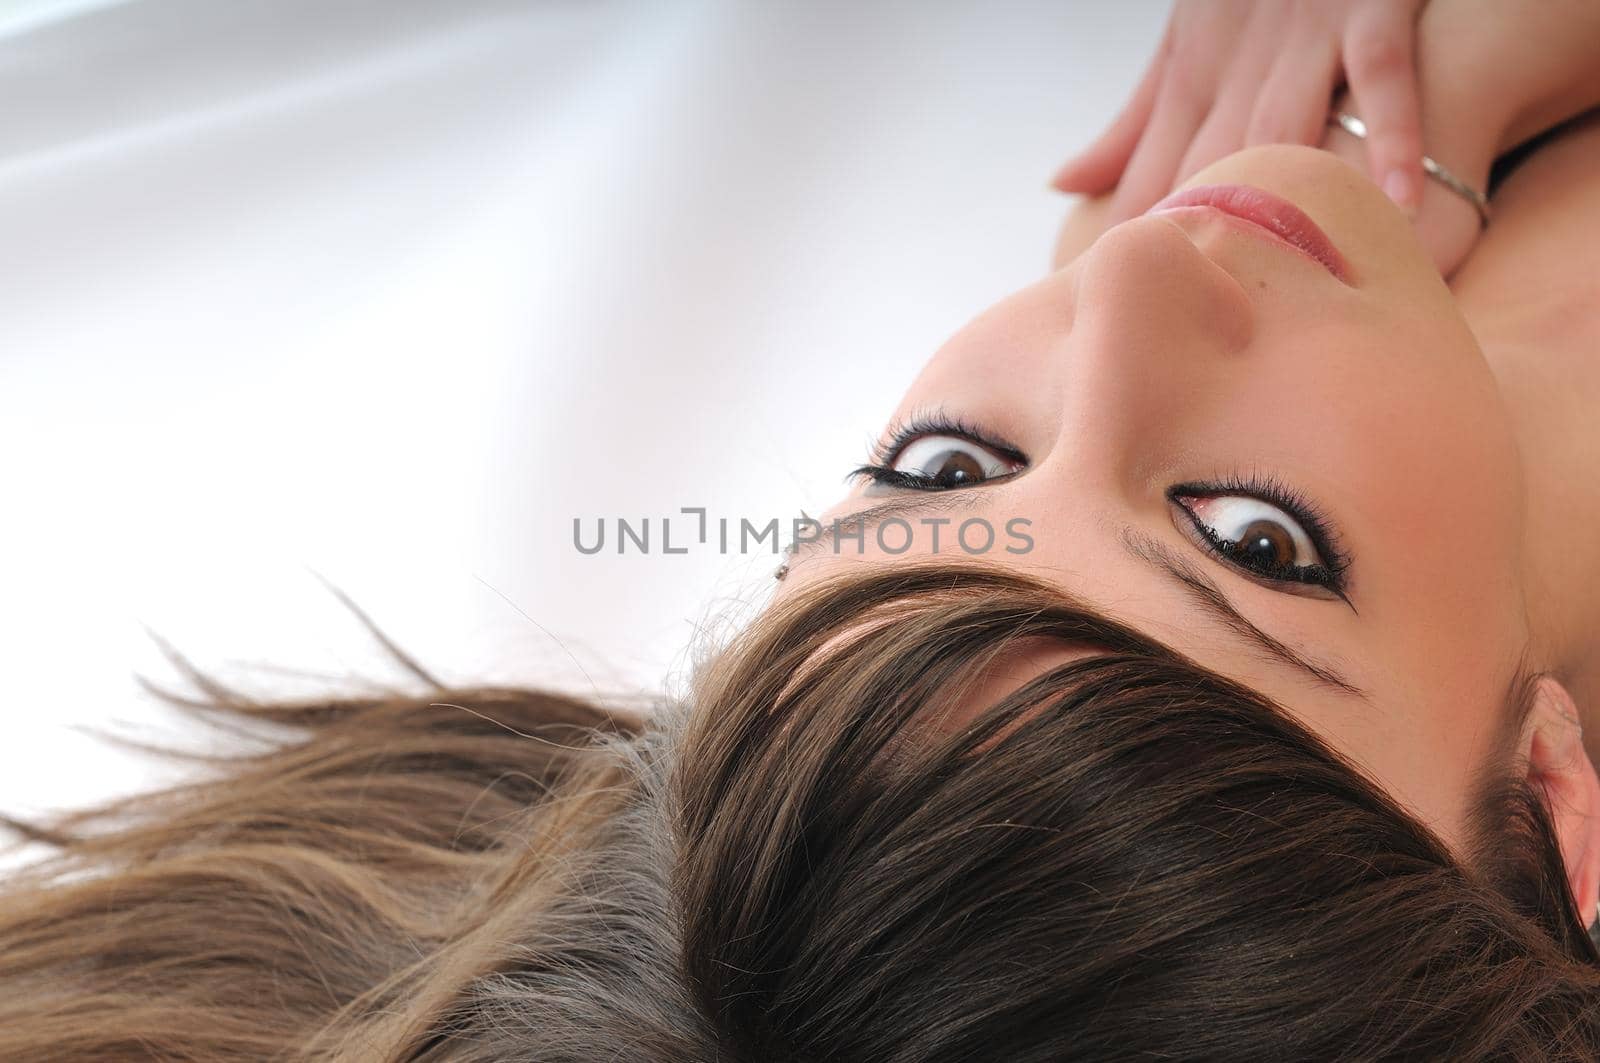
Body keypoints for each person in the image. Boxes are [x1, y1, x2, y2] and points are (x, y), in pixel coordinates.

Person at [5, 3, 1600, 1060]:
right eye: (1257, 544)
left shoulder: (1216, 223)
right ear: (1552, 806)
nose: (1121, 293)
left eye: (947, 471)